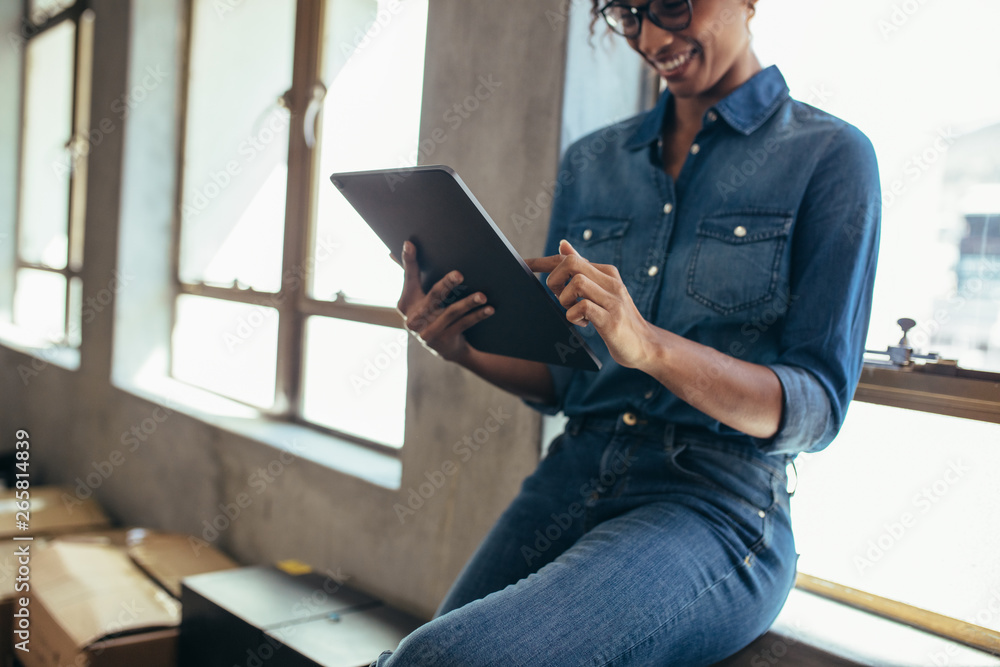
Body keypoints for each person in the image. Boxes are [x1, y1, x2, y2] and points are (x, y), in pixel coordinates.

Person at [371, 0, 881, 664]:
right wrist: (459, 345)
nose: (650, 36)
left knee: (439, 659)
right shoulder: (594, 161)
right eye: (627, 13)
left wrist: (650, 344)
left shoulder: (831, 157)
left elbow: (813, 409)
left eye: (672, 5)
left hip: (716, 505)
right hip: (573, 472)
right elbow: (565, 376)